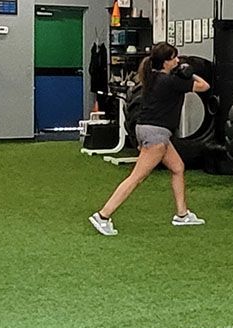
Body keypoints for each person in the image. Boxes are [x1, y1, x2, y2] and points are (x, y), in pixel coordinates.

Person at [89, 42, 210, 236]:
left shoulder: (152, 77)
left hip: (146, 129)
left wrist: (179, 70)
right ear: (165, 62)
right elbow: (204, 86)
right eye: (174, 59)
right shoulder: (171, 82)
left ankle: (182, 214)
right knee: (136, 177)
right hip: (156, 134)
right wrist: (189, 72)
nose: (178, 61)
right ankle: (103, 216)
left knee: (178, 168)